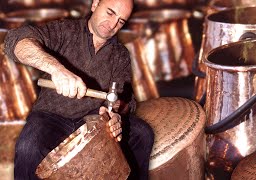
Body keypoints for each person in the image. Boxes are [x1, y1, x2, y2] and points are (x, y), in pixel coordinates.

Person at [4, 0, 154, 179]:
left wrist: (114, 114)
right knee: (29, 145)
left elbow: (124, 100)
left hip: (93, 119)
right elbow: (16, 40)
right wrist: (57, 69)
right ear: (95, 4)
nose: (113, 24)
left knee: (142, 134)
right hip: (51, 117)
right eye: (110, 13)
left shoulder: (120, 54)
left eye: (121, 21)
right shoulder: (64, 30)